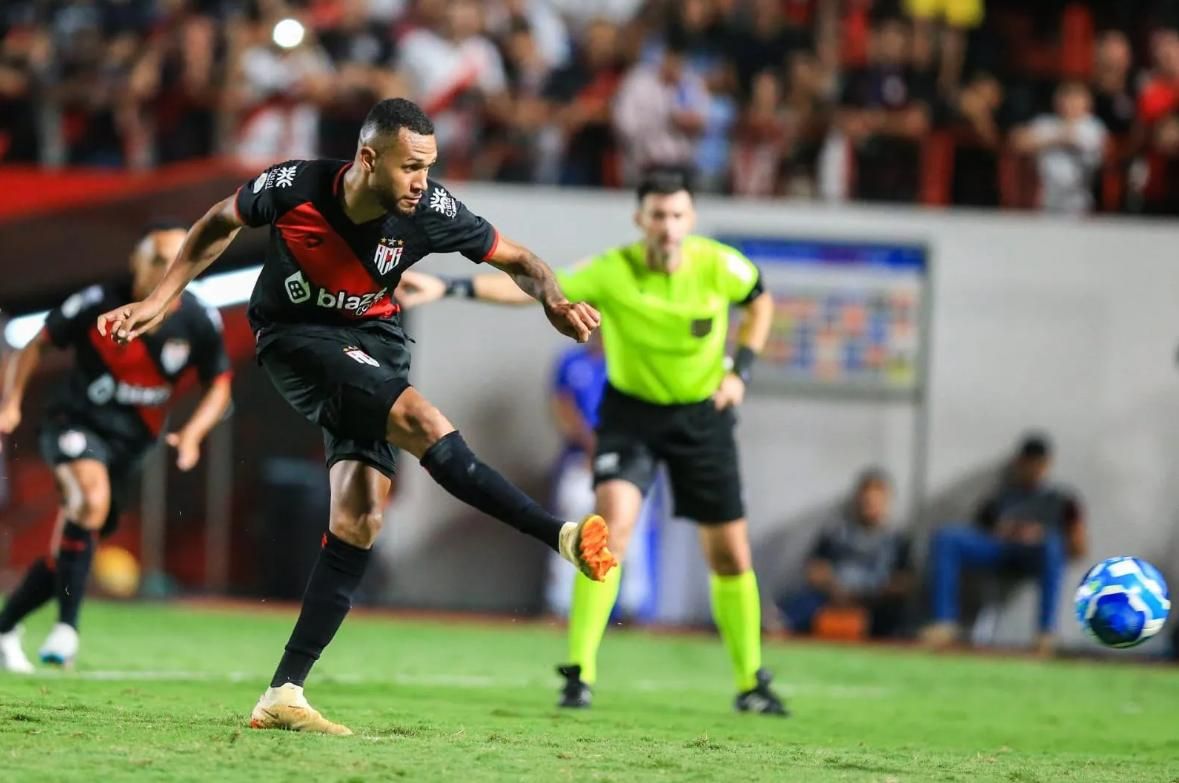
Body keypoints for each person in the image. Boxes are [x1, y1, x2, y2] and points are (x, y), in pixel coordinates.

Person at [95, 98, 616, 736]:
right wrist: (159, 298)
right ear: (368, 159)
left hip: (374, 344)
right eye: (411, 167)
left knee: (361, 514)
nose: (422, 182)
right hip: (295, 338)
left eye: (429, 166)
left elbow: (521, 261)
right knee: (423, 420)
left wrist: (554, 301)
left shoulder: (429, 211)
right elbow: (215, 224)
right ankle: (560, 535)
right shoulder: (295, 186)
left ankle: (283, 692)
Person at [413, 167, 786, 715]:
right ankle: (579, 673)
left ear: (691, 219)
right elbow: (540, 292)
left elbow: (761, 303)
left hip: (702, 418)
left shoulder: (720, 265)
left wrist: (741, 371)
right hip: (631, 417)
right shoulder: (614, 270)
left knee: (730, 553)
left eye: (677, 214)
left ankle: (751, 681)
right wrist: (449, 285)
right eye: (657, 215)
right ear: (641, 219)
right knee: (609, 531)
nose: (667, 226)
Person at [0, 222, 233, 672]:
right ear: (136, 263)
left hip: (132, 445)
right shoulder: (97, 303)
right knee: (91, 500)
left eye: (177, 260)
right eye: (158, 260)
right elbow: (36, 347)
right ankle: (67, 629)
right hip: (74, 424)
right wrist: (11, 403)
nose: (168, 269)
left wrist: (193, 434)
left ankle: (6, 626)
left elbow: (220, 385)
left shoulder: (199, 318)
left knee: (75, 546)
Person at [921, 434, 1086, 655]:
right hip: (999, 550)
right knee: (946, 537)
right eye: (1028, 463)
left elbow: (1078, 549)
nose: (1032, 469)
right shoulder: (1001, 496)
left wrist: (1040, 536)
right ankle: (943, 624)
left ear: (1047, 465)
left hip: (1036, 555)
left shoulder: (1062, 500)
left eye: (1038, 464)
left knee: (1052, 546)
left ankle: (1046, 633)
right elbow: (979, 529)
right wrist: (1006, 531)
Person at [778, 469, 913, 639]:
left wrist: (872, 594)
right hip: (833, 595)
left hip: (875, 602)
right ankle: (779, 625)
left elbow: (905, 581)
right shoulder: (837, 532)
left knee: (894, 615)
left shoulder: (897, 539)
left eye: (875, 501)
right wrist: (834, 589)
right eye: (866, 501)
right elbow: (814, 569)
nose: (870, 506)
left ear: (886, 502)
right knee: (805, 602)